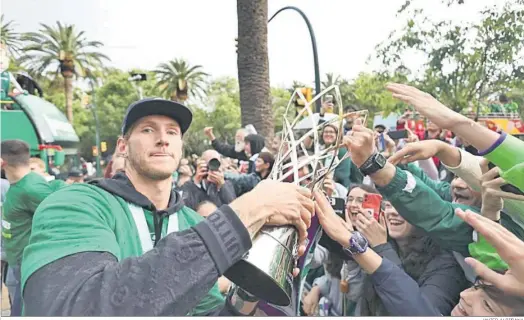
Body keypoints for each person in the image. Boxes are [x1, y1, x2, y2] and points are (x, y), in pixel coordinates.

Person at [21, 98, 314, 316]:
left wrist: (251, 285)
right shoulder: (75, 204)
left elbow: (208, 313)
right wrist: (246, 211)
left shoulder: (190, 220)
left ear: (181, 148)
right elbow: (73, 307)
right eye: (148, 130)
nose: (162, 139)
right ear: (123, 147)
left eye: (172, 132)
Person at [314, 190, 524, 316]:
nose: (465, 295)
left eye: (404, 207)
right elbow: (350, 286)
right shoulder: (382, 240)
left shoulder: (445, 263)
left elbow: (418, 309)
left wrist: (378, 249)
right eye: (389, 205)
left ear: (422, 216)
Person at [1, 140, 54, 316]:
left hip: (28, 265)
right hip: (15, 261)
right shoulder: (17, 185)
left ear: (2, 162)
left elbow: (58, 219)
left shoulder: (31, 187)